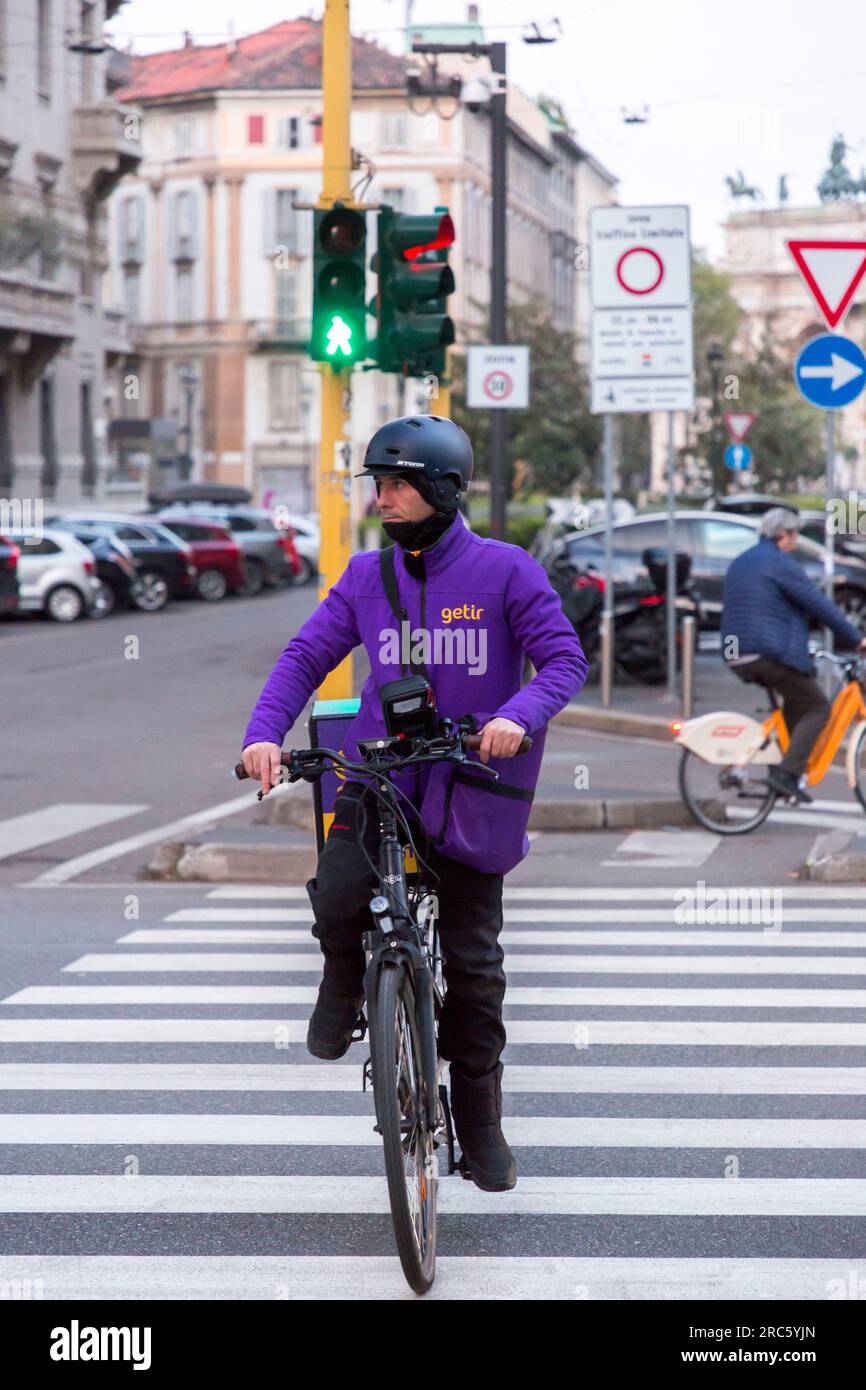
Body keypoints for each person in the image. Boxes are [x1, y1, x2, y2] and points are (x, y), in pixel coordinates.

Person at [241, 414, 588, 1191]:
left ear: (439, 488)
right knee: (335, 896)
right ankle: (341, 981)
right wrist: (265, 734)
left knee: (473, 970)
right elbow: (305, 656)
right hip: (379, 777)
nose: (384, 499)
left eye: (397, 485)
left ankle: (480, 1121)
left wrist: (515, 716)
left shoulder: (506, 572)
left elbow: (564, 660)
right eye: (380, 485)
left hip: (472, 786)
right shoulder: (367, 576)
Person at [721, 506, 866, 802]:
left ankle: (785, 765)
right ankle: (787, 775)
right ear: (783, 535)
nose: (795, 541)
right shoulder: (780, 563)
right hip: (765, 651)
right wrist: (856, 640)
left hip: (734, 651)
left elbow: (762, 606)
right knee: (817, 708)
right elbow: (819, 604)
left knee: (796, 706)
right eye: (795, 535)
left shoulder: (741, 561)